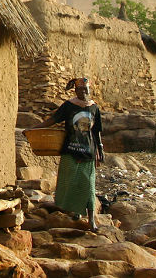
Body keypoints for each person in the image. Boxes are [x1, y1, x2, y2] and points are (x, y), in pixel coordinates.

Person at [31, 77, 104, 231]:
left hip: (88, 153)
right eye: (80, 90)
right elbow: (53, 120)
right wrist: (34, 129)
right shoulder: (69, 106)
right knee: (69, 184)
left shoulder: (94, 108)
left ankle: (91, 220)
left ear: (90, 90)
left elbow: (96, 132)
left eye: (85, 90)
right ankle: (76, 211)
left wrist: (100, 151)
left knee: (88, 186)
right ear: (75, 91)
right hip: (70, 151)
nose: (83, 92)